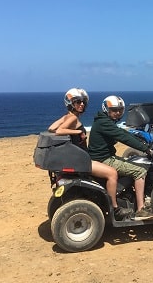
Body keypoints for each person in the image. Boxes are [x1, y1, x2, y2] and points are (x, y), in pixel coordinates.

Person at [48, 88, 130, 220]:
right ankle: (115, 209)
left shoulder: (67, 116)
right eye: (78, 102)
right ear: (70, 103)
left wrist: (70, 129)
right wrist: (79, 132)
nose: (81, 104)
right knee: (112, 173)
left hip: (79, 158)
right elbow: (59, 131)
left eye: (83, 102)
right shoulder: (73, 118)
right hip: (83, 161)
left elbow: (51, 128)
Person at [87, 95, 153, 221]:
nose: (117, 112)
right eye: (114, 110)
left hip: (102, 157)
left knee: (131, 163)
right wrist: (145, 149)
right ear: (106, 109)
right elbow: (122, 137)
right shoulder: (104, 123)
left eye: (119, 110)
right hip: (104, 159)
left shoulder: (104, 121)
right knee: (140, 171)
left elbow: (123, 133)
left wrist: (143, 142)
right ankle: (140, 210)